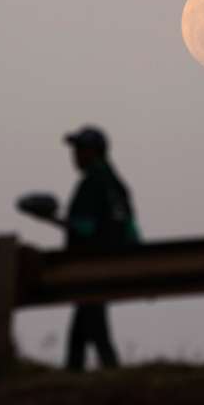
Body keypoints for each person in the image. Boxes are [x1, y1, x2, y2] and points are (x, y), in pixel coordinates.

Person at [18, 125, 141, 371]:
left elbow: (84, 228)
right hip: (111, 265)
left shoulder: (92, 183)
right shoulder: (117, 184)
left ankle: (109, 376)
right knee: (82, 332)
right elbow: (131, 230)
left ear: (94, 152)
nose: (74, 155)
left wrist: (49, 217)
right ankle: (82, 376)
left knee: (94, 329)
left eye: (79, 149)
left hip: (91, 267)